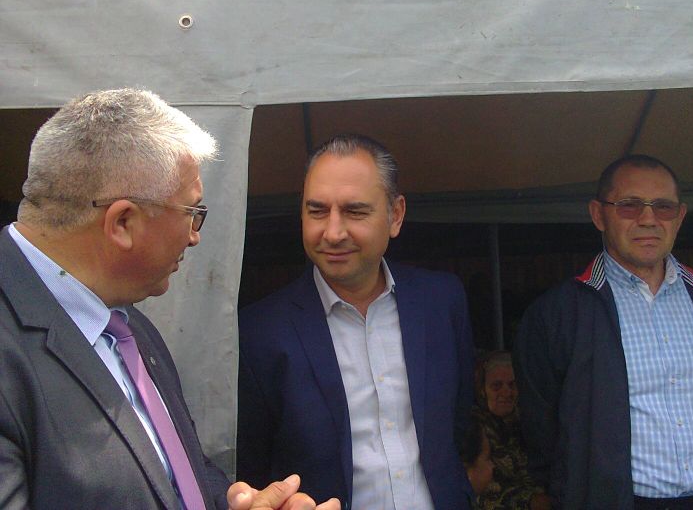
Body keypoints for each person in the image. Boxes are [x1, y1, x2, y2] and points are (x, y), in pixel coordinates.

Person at [0, 89, 338, 510]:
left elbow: (175, 475)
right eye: (191, 213)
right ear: (123, 223)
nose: (195, 237)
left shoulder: (126, 325)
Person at [514, 154, 693, 510]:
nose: (648, 219)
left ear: (680, 217)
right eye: (629, 205)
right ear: (598, 215)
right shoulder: (557, 315)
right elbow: (541, 431)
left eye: (663, 207)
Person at [237, 133, 475, 510]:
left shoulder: (441, 302)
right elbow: (252, 465)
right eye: (317, 211)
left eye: (355, 211)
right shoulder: (260, 333)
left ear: (395, 215)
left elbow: (460, 424)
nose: (333, 233)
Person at [473, 351, 545, 510]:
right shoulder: (474, 431)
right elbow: (481, 493)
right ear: (482, 390)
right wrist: (533, 502)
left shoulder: (528, 420)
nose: (506, 392)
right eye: (496, 386)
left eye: (512, 385)